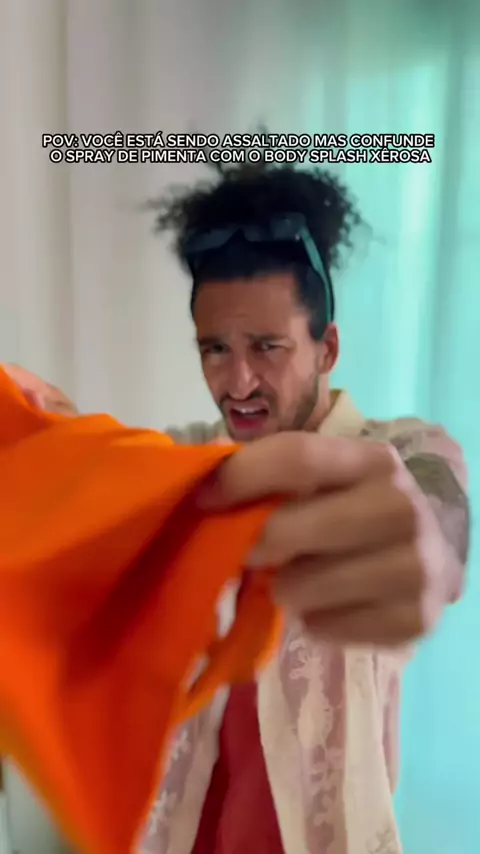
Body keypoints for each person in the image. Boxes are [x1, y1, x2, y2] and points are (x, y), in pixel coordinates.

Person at [4, 161, 469, 854]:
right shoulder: (185, 464)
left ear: (327, 348)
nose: (238, 381)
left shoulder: (401, 452)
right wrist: (34, 425)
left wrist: (427, 542)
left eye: (267, 348)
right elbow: (83, 469)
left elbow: (439, 509)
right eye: (215, 349)